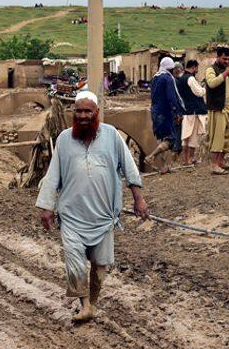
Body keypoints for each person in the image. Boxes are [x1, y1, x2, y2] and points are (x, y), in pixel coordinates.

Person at [36, 91, 149, 322]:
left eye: (88, 111)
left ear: (96, 113)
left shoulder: (112, 136)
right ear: (73, 113)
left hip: (104, 216)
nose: (83, 116)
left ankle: (93, 303)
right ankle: (85, 305)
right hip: (72, 215)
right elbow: (52, 176)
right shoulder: (64, 140)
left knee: (100, 266)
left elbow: (129, 168)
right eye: (79, 111)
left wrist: (138, 198)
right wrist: (47, 207)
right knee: (74, 262)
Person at [144, 57, 184, 174]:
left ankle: (164, 166)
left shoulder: (155, 77)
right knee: (171, 139)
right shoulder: (168, 79)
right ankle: (151, 157)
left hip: (155, 112)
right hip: (165, 112)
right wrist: (177, 112)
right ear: (171, 69)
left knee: (163, 140)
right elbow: (171, 97)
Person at [205, 47, 229, 174]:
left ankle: (221, 162)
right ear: (218, 57)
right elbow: (212, 83)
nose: (227, 61)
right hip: (218, 109)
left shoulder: (228, 70)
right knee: (218, 138)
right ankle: (214, 165)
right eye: (224, 59)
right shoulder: (211, 70)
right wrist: (225, 73)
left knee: (227, 139)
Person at [175, 60, 206, 165]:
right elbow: (198, 92)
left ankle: (185, 159)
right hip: (193, 111)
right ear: (193, 67)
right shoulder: (190, 78)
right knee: (192, 137)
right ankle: (190, 158)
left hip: (186, 110)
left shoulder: (180, 78)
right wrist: (204, 89)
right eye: (197, 68)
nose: (197, 70)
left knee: (185, 136)